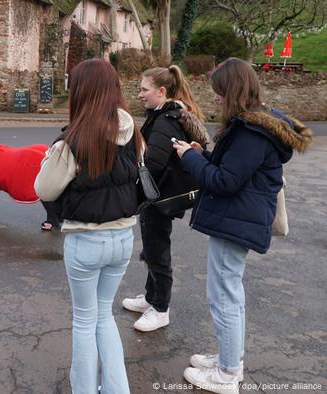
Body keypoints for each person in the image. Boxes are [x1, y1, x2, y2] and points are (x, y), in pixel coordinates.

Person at [173, 58, 312, 393]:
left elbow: (225, 181)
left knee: (224, 296)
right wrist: (200, 153)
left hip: (236, 220)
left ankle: (226, 374)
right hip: (236, 217)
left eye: (220, 92)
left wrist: (189, 159)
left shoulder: (252, 132)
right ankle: (227, 357)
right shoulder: (253, 126)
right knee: (224, 293)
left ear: (232, 91)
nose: (217, 98)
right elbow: (231, 170)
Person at [35, 59, 144, 394]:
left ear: (80, 92)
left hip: (86, 241)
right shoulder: (132, 131)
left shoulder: (72, 141)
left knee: (84, 321)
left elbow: (44, 188)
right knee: (104, 316)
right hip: (124, 237)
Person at [121, 65, 209, 332]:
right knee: (152, 247)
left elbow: (153, 164)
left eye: (144, 90)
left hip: (158, 197)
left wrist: (133, 195)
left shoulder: (164, 120)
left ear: (161, 91)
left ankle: (160, 308)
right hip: (160, 195)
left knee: (157, 251)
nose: (139, 95)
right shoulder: (165, 114)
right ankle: (151, 297)